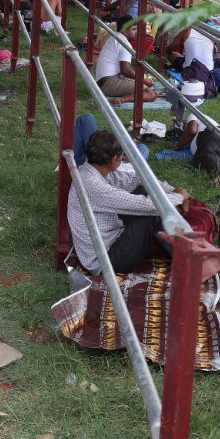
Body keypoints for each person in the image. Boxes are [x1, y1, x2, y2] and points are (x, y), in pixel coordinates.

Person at [67, 131, 190, 274]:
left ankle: (184, 250)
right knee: (151, 213)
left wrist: (173, 190)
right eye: (121, 156)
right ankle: (189, 261)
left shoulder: (91, 171)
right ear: (113, 160)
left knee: (144, 191)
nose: (123, 159)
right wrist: (179, 198)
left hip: (109, 241)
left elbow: (137, 179)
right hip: (106, 262)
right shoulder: (93, 185)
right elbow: (148, 206)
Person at [94, 16, 158, 104]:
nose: (136, 32)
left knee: (142, 84)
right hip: (109, 83)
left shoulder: (115, 37)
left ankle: (123, 96)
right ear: (125, 30)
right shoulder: (125, 43)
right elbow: (125, 71)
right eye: (134, 29)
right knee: (151, 94)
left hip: (104, 82)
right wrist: (144, 80)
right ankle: (121, 100)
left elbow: (125, 70)